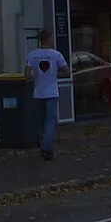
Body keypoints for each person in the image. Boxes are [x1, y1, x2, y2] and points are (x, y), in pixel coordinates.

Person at [24, 30, 71, 160]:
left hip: (38, 93)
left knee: (40, 121)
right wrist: (55, 75)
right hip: (52, 92)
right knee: (50, 121)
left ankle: (42, 143)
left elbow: (27, 75)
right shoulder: (56, 55)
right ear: (49, 39)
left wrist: (36, 77)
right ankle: (47, 148)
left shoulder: (33, 55)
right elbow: (67, 72)